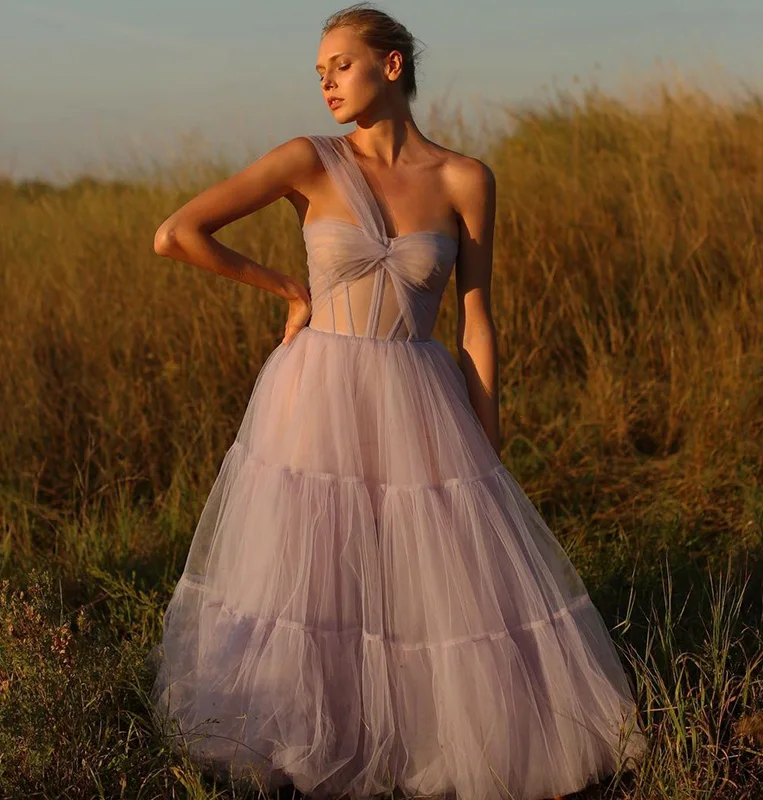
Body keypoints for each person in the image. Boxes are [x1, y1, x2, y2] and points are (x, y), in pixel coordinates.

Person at [146, 4, 646, 799]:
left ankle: (431, 740)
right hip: (316, 393)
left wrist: (487, 445)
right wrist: (284, 286)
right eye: (318, 73)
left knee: (431, 575)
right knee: (314, 567)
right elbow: (177, 233)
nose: (325, 84)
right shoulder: (307, 160)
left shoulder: (465, 178)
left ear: (391, 65)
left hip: (421, 397)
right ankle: (309, 733)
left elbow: (477, 321)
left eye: (339, 65)